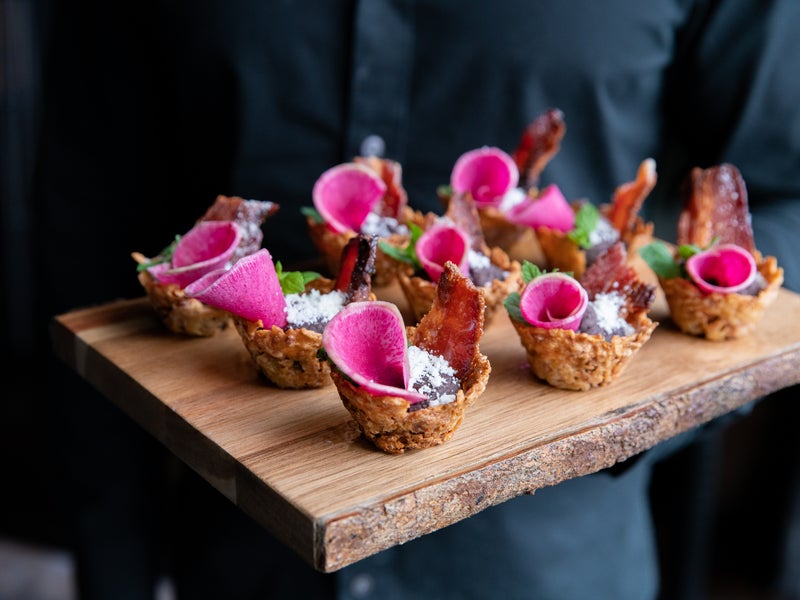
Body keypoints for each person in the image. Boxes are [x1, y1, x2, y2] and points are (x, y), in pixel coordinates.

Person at [31, 1, 799, 599]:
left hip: (549, 566)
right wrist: (114, 570)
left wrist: (640, 388)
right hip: (237, 560)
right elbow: (83, 227)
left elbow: (788, 185)